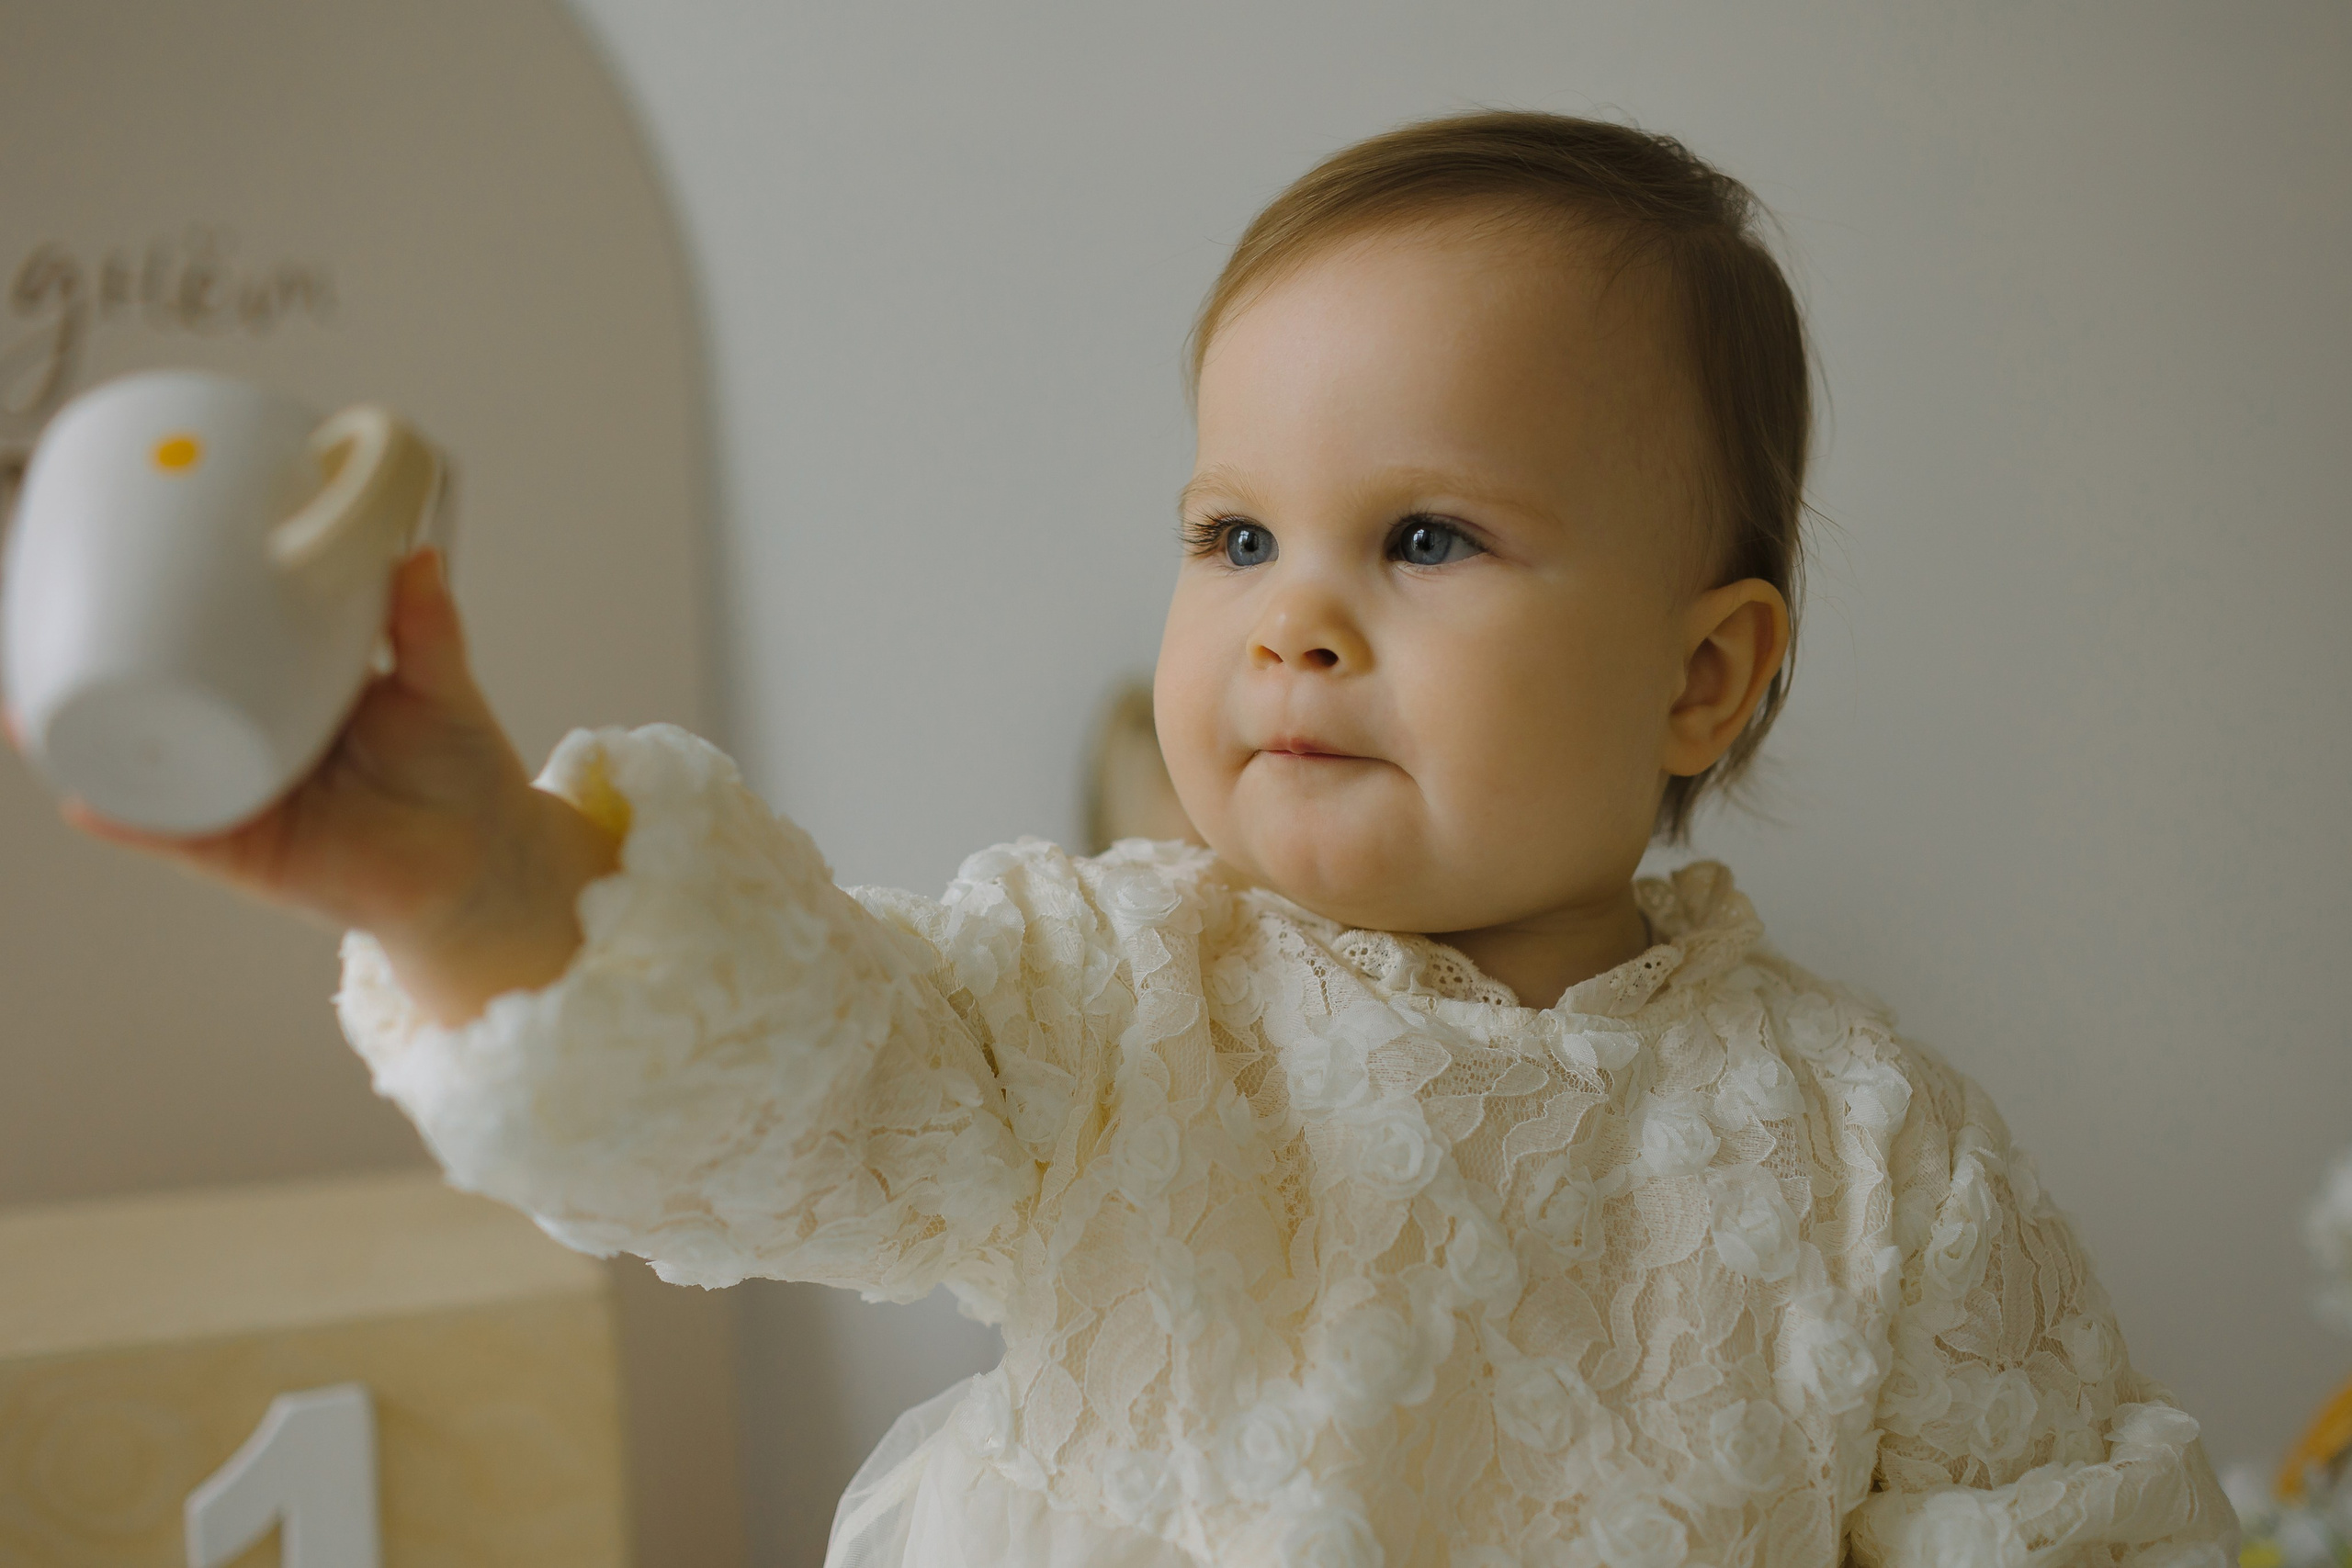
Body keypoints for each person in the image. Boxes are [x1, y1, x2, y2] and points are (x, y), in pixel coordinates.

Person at [46, 112, 2236, 1566]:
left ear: (1698, 675)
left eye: (1425, 533)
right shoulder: (1111, 997)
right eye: (1233, 531)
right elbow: (797, 1064)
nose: (1289, 609)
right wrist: (479, 881)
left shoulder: (1874, 1152)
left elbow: (2066, 1522)